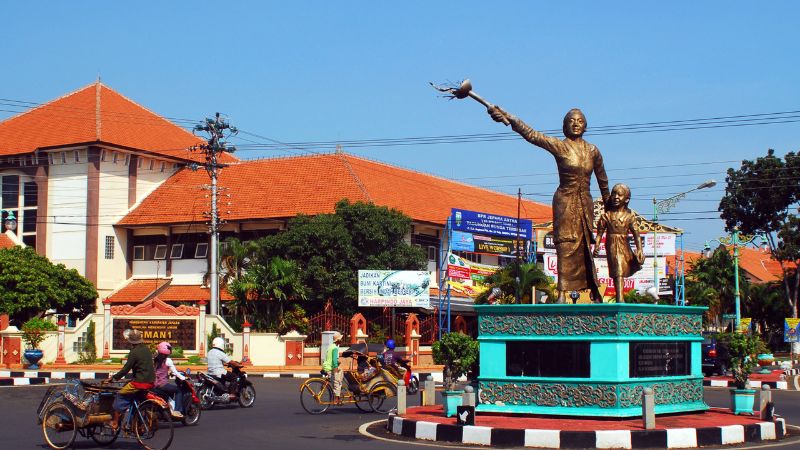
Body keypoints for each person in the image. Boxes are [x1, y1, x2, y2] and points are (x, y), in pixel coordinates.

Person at [489, 106, 610, 302]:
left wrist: (610, 208)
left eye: (580, 120)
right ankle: (562, 292)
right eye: (571, 120)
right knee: (564, 245)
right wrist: (510, 118)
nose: (576, 123)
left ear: (585, 125)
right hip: (564, 202)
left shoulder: (593, 151)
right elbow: (532, 135)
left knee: (586, 247)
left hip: (585, 205)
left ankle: (594, 291)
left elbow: (603, 181)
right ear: (564, 127)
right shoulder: (559, 146)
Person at [592, 183, 645, 303]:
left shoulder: (629, 217)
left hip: (624, 245)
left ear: (626, 199)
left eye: (619, 195)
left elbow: (636, 235)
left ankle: (620, 299)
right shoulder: (606, 216)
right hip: (611, 245)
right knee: (618, 271)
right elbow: (599, 233)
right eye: (613, 194)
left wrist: (640, 250)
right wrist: (596, 246)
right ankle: (620, 299)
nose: (616, 197)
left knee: (621, 270)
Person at [106, 329, 155, 431]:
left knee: (120, 395)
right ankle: (134, 423)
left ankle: (115, 422)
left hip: (139, 383)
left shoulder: (134, 352)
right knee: (134, 398)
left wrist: (114, 378)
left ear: (131, 342)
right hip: (150, 382)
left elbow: (126, 369)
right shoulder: (147, 349)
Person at [152, 341, 186, 419]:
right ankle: (177, 410)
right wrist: (184, 378)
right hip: (163, 385)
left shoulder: (154, 359)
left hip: (154, 385)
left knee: (169, 392)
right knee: (178, 391)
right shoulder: (168, 360)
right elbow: (176, 372)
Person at [321, 331, 343, 404]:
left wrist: (337, 363)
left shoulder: (331, 346)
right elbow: (334, 361)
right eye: (341, 339)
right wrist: (336, 368)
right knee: (338, 381)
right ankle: (337, 398)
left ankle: (336, 396)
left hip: (326, 366)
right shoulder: (335, 348)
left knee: (337, 377)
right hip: (330, 368)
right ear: (338, 340)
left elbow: (330, 358)